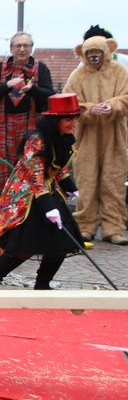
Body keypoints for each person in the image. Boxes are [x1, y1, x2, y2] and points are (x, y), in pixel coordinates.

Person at [0, 94, 85, 289]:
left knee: (61, 242)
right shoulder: (36, 140)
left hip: (48, 192)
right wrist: (49, 207)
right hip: (27, 195)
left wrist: (71, 188)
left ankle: (42, 284)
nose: (73, 124)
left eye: (75, 119)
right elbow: (35, 176)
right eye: (69, 119)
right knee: (23, 247)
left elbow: (59, 168)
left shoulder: (63, 138)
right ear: (56, 121)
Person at [62, 27, 128, 245]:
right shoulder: (77, 75)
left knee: (114, 181)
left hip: (115, 135)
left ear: (106, 51)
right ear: (83, 53)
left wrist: (113, 106)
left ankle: (114, 228)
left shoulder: (120, 71)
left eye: (97, 52)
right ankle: (85, 226)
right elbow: (69, 103)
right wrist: (90, 109)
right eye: (89, 53)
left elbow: (126, 97)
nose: (94, 56)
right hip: (86, 136)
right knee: (86, 181)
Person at [0, 32, 54, 205]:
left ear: (31, 48)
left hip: (30, 127)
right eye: (18, 46)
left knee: (30, 171)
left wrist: (32, 90)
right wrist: (7, 86)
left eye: (26, 46)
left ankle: (28, 215)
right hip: (2, 126)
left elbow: (49, 96)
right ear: (11, 48)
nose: (22, 49)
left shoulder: (41, 69)